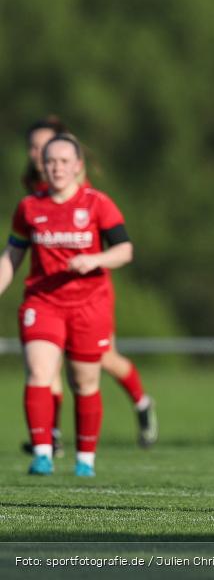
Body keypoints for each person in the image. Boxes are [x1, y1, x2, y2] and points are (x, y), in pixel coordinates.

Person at [18, 117, 157, 455]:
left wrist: (93, 260)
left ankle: (142, 402)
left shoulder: (83, 192)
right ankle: (50, 438)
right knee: (44, 364)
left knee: (103, 360)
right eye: (34, 148)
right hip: (48, 297)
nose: (37, 154)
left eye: (43, 146)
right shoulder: (33, 189)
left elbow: (114, 242)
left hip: (89, 293)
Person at [0, 133, 134, 477]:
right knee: (39, 371)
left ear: (77, 166)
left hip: (89, 304)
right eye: (50, 162)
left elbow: (124, 250)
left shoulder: (97, 203)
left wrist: (96, 259)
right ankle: (42, 453)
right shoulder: (29, 207)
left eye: (63, 161)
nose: (57, 168)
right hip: (43, 302)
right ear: (42, 167)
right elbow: (12, 255)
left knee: (83, 382)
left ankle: (85, 460)